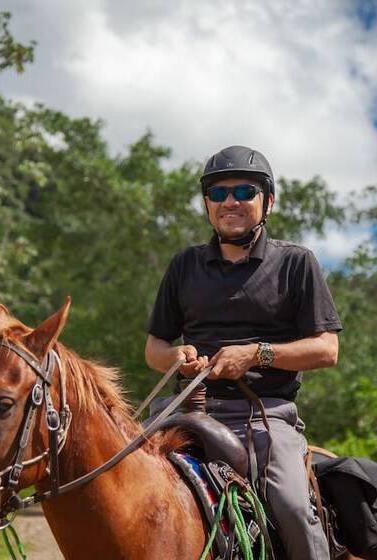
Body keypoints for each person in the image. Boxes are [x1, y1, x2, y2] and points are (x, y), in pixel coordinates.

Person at [144, 145, 342, 560]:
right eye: (217, 194)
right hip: (186, 407)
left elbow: (327, 349)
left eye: (243, 191)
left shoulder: (295, 263)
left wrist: (256, 354)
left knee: (289, 505)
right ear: (207, 204)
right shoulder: (185, 265)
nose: (229, 201)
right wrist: (177, 357)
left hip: (265, 415)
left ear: (267, 201)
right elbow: (154, 349)